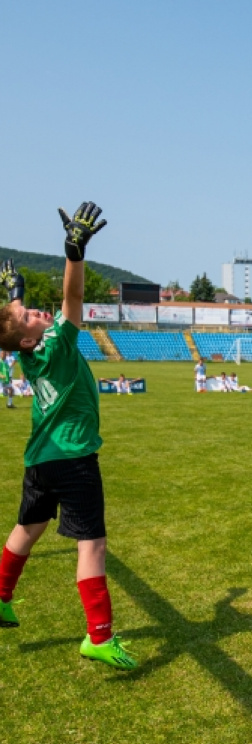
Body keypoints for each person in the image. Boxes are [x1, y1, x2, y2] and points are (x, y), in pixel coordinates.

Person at [0, 202, 136, 669]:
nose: (34, 312)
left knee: (28, 528)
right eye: (27, 316)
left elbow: (23, 314)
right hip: (73, 456)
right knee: (91, 544)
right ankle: (98, 637)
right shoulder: (54, 343)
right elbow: (72, 301)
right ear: (26, 339)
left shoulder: (29, 350)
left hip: (40, 458)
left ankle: (0, 596)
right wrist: (74, 254)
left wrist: (11, 292)